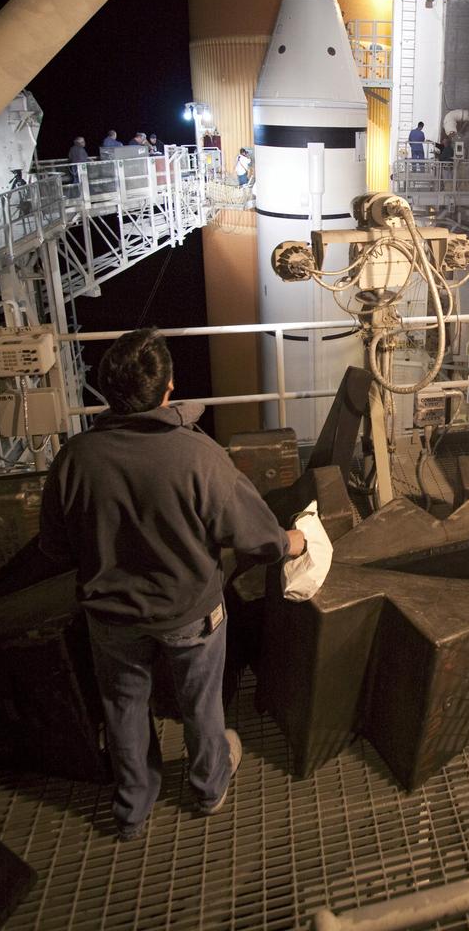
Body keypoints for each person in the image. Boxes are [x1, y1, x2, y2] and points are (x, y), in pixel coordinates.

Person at [38, 328, 307, 841]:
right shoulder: (198, 455)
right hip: (189, 612)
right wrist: (289, 542)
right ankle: (208, 788)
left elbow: (55, 548)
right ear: (169, 388)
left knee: (123, 706)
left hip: (110, 618)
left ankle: (133, 808)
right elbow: (255, 536)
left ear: (107, 391)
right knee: (200, 702)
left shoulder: (74, 459)